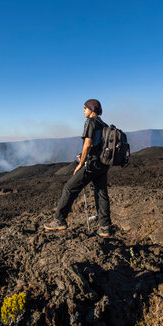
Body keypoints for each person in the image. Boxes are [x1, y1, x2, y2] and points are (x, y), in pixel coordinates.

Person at [44, 99, 113, 237]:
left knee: (70, 187)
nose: (83, 110)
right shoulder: (103, 124)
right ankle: (105, 227)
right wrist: (83, 155)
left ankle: (59, 220)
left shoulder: (91, 122)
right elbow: (99, 145)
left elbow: (88, 144)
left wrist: (81, 163)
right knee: (101, 192)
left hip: (92, 164)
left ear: (92, 110)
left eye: (85, 108)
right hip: (103, 164)